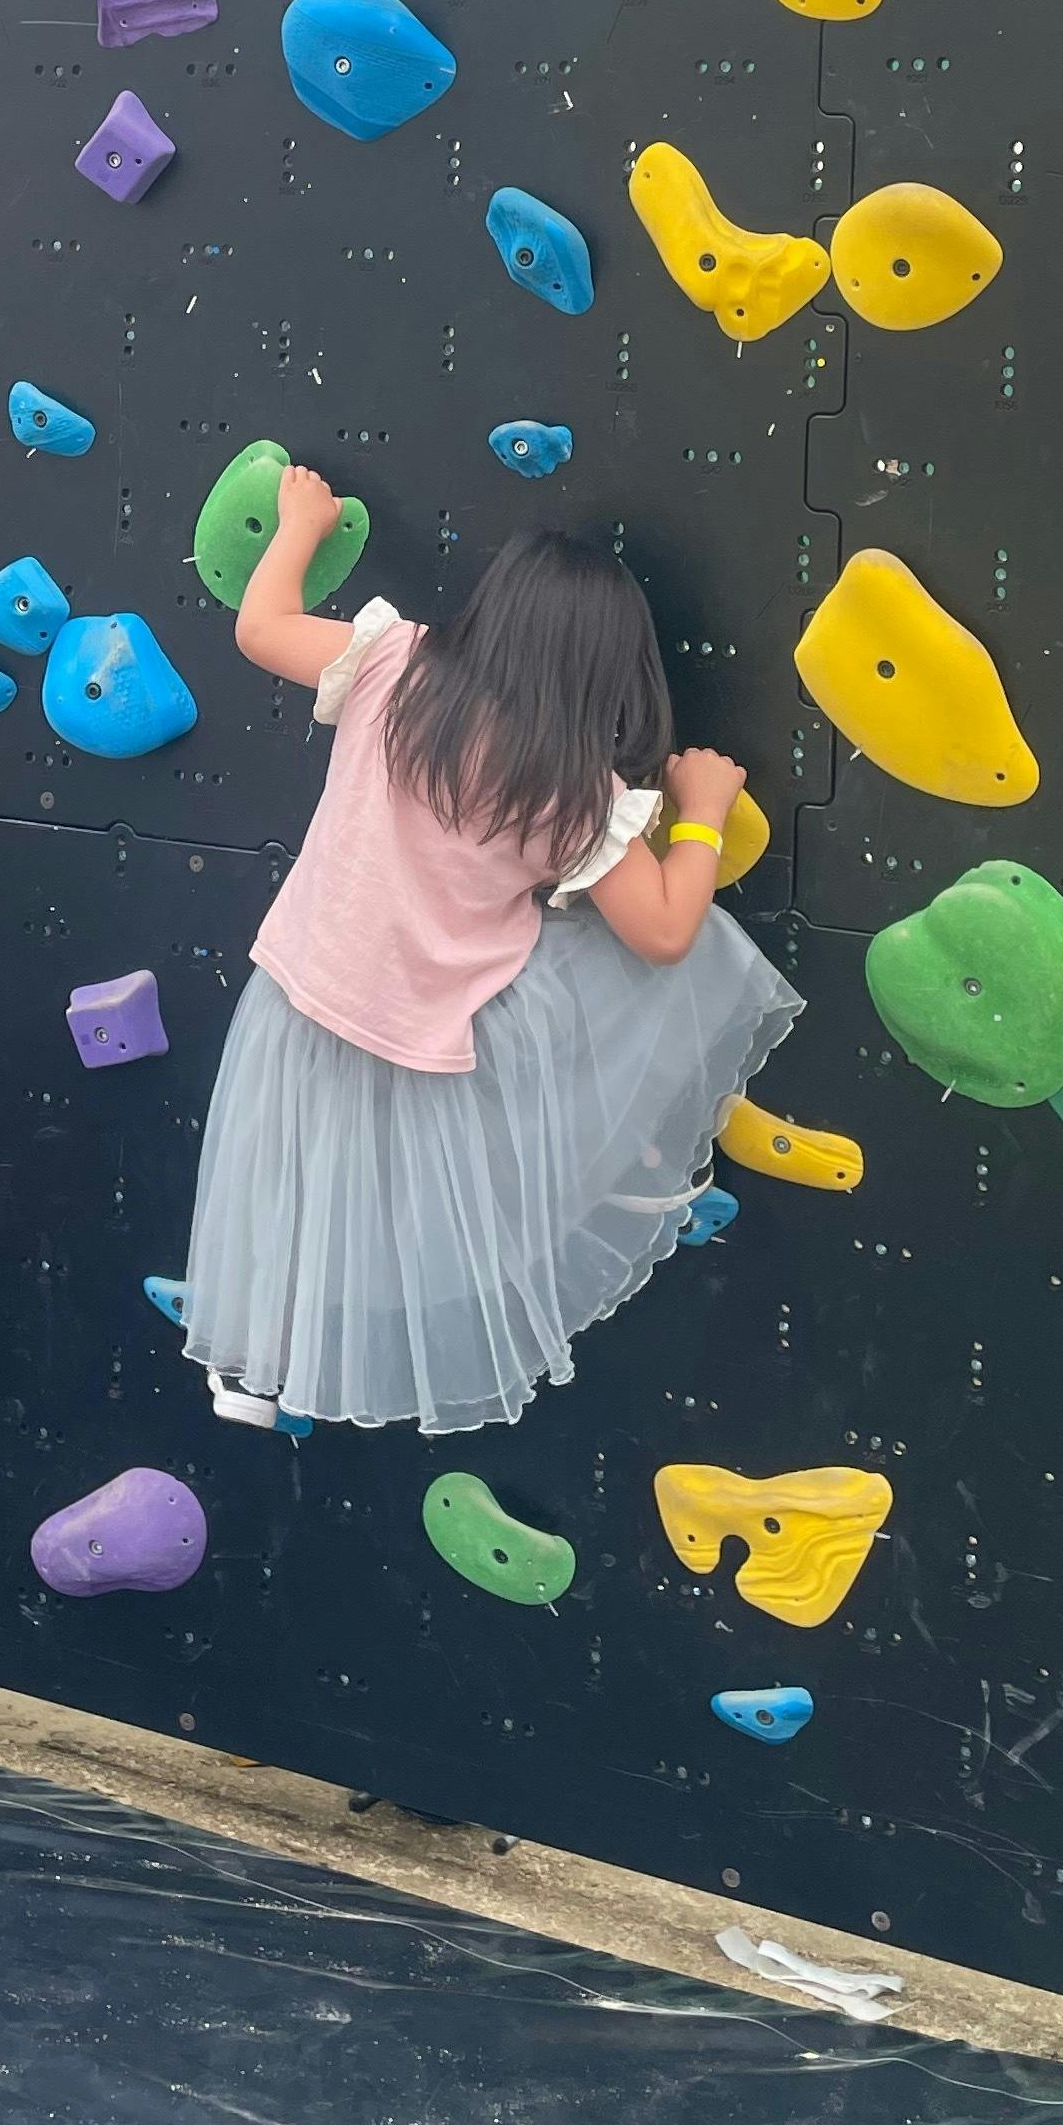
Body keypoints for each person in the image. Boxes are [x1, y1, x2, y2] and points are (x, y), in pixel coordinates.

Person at [183, 476, 800, 1436]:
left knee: (285, 1185)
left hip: (297, 995)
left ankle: (254, 1365)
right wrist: (704, 811)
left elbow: (260, 627)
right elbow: (668, 933)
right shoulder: (574, 791)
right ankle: (353, 1361)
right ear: (608, 670)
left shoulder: (395, 665)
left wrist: (301, 523)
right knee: (387, 1211)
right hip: (425, 1041)